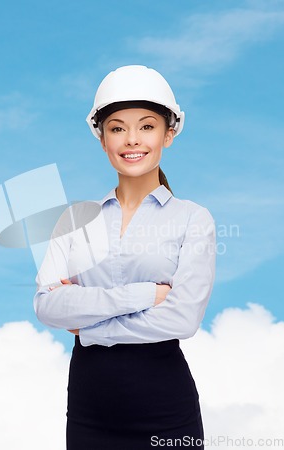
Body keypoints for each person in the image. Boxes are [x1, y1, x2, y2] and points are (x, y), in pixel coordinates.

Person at [33, 65, 216, 449]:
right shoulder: (74, 219)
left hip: (166, 409)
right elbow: (48, 306)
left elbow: (183, 317)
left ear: (169, 134)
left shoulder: (192, 219)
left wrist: (91, 328)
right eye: (117, 128)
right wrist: (146, 295)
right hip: (89, 410)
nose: (132, 140)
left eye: (147, 126)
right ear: (102, 139)